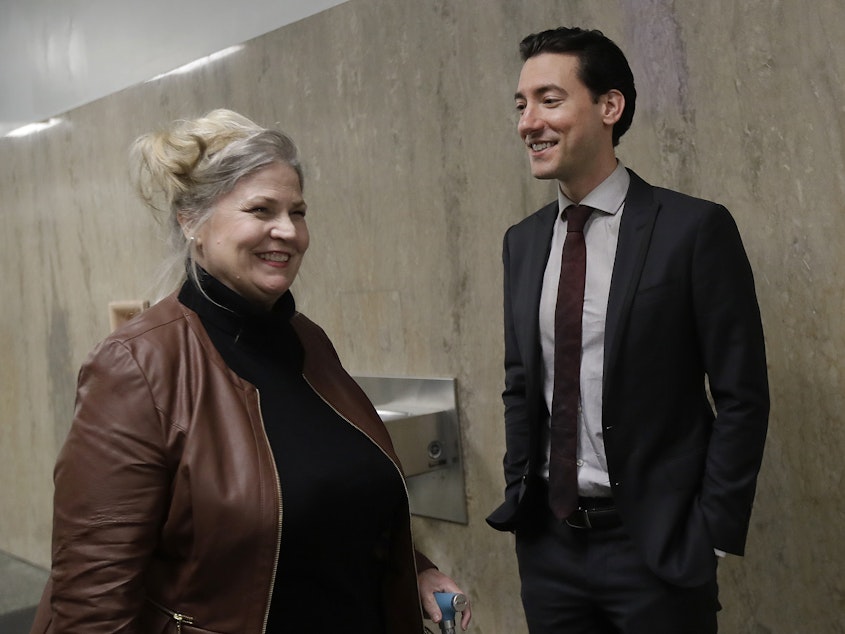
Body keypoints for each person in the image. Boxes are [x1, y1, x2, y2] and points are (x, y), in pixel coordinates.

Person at [30, 108, 471, 633]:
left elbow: (328, 505)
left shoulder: (308, 343)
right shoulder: (137, 365)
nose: (287, 231)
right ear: (191, 220)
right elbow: (92, 601)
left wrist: (412, 572)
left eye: (298, 212)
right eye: (261, 209)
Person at [486, 27, 769, 633]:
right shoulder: (523, 242)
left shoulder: (693, 231)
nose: (527, 122)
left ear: (609, 107)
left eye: (549, 100)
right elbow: (520, 382)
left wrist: (712, 531)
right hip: (550, 549)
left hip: (656, 550)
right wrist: (520, 491)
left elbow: (742, 395)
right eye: (520, 104)